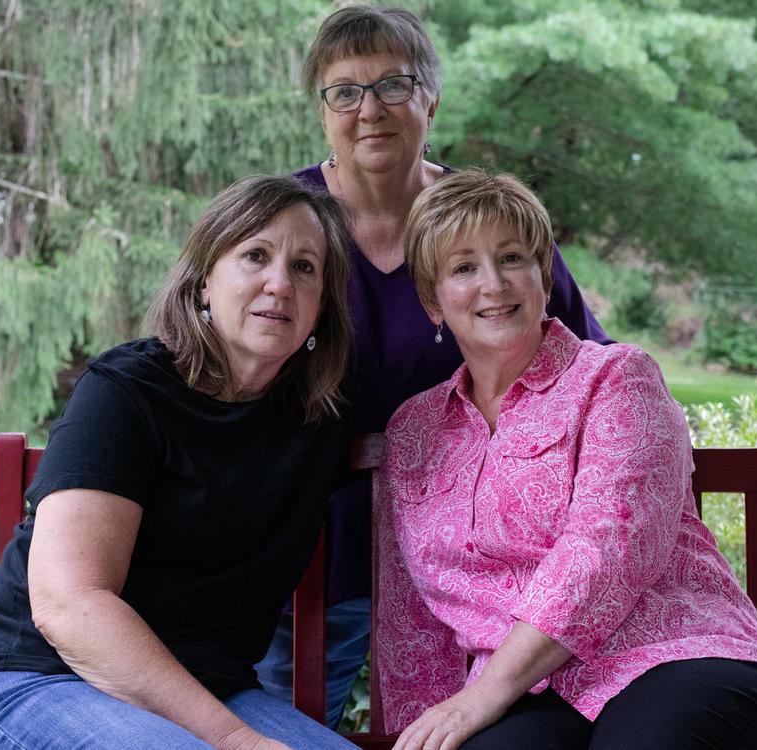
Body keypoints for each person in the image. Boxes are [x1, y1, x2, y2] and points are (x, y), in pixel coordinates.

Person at [256, 6, 612, 729]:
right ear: (321, 111)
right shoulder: (285, 226)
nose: (370, 109)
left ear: (431, 100)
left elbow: (588, 366)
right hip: (313, 547)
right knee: (281, 726)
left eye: (394, 84)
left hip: (482, 557)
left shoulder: (487, 228)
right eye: (345, 91)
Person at [375, 169, 757, 750]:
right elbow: (412, 620)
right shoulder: (415, 430)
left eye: (512, 257)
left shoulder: (616, 379)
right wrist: (419, 731)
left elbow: (607, 549)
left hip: (673, 654)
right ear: (433, 302)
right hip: (529, 698)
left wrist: (482, 695)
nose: (493, 284)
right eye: (463, 267)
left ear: (543, 278)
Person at [0, 175, 362, 750]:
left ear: (322, 307)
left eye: (305, 267)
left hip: (206, 693)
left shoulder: (319, 419)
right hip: (37, 676)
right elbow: (69, 605)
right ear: (204, 283)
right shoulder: (127, 393)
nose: (279, 284)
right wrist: (238, 741)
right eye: (255, 255)